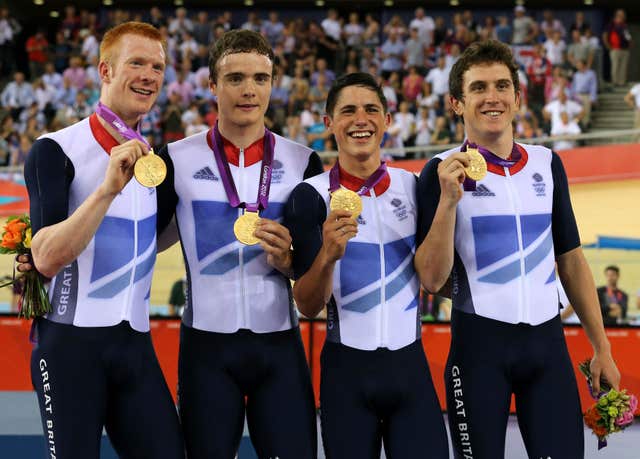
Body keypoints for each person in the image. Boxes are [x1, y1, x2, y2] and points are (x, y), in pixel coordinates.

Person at [414, 40, 620, 459]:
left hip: (548, 349)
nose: (493, 97)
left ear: (518, 96)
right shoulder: (439, 170)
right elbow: (432, 280)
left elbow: (572, 260)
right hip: (477, 353)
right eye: (479, 88)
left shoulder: (547, 163)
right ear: (456, 102)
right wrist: (449, 201)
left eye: (502, 85)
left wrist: (603, 348)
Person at [156, 30, 321, 459]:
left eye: (261, 79)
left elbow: (311, 270)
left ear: (273, 84)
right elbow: (140, 244)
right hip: (206, 350)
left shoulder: (304, 162)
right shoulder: (175, 159)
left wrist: (289, 260)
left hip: (279, 346)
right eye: (235, 78)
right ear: (212, 85)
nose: (249, 90)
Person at [23, 22, 184, 459]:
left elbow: (151, 239)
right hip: (69, 347)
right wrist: (108, 189)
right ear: (105, 71)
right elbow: (46, 257)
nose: (149, 75)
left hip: (134, 345)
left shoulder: (156, 161)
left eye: (157, 66)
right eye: (136, 63)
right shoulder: (56, 149)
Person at [284, 72, 449, 459]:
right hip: (346, 375)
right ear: (328, 124)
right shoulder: (310, 196)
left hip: (411, 367)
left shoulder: (415, 186)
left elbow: (435, 280)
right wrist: (326, 255)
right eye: (348, 111)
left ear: (388, 120)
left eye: (371, 109)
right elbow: (307, 305)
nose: (361, 119)